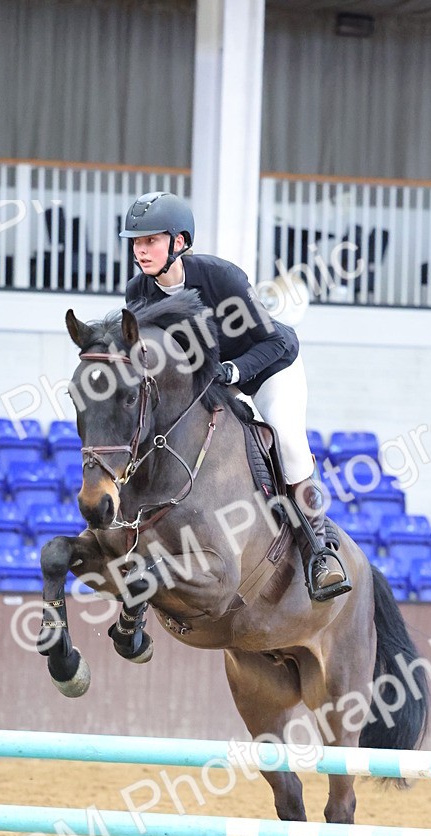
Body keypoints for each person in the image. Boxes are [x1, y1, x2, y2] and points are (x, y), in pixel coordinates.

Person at [120, 191, 350, 602]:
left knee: (287, 438)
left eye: (151, 240)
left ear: (179, 242)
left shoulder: (221, 278)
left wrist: (236, 371)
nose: (141, 250)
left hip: (269, 369)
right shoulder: (138, 293)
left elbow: (273, 341)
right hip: (213, 384)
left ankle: (320, 551)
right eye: (137, 242)